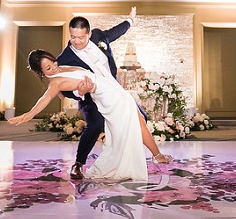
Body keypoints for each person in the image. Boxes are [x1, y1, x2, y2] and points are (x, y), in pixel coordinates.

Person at [9, 49, 170, 181]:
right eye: (49, 68)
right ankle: (157, 156)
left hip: (113, 90)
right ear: (41, 72)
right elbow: (46, 98)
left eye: (53, 62)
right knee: (136, 121)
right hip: (107, 97)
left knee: (139, 119)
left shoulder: (62, 67)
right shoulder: (55, 83)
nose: (55, 67)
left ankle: (157, 155)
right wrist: (30, 114)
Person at [57, 7, 136, 180]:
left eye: (81, 37)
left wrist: (130, 20)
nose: (76, 41)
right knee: (96, 124)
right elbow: (61, 87)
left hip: (113, 92)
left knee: (138, 116)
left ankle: (141, 158)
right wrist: (79, 91)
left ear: (89, 33)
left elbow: (116, 32)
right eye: (73, 37)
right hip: (89, 97)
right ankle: (78, 163)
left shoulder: (99, 36)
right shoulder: (65, 58)